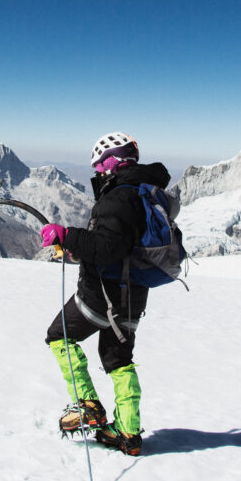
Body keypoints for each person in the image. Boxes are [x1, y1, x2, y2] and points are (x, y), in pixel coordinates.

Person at [39, 131, 172, 457]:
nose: (97, 172)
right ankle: (128, 432)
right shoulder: (145, 193)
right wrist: (76, 251)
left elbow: (108, 247)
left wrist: (66, 236)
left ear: (111, 163)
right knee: (118, 360)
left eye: (99, 166)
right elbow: (124, 247)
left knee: (59, 336)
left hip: (102, 295)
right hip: (133, 296)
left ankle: (87, 405)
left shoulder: (118, 197)